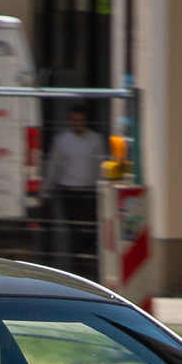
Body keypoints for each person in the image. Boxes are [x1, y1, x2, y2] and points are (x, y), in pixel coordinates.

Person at [42, 107, 107, 260]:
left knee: (90, 229)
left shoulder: (95, 140)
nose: (77, 123)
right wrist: (45, 190)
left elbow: (101, 165)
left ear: (85, 120)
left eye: (80, 120)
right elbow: (54, 166)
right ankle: (77, 262)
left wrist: (103, 188)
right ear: (69, 121)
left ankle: (89, 260)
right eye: (73, 120)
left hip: (90, 191)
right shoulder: (62, 140)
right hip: (69, 191)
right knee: (74, 231)